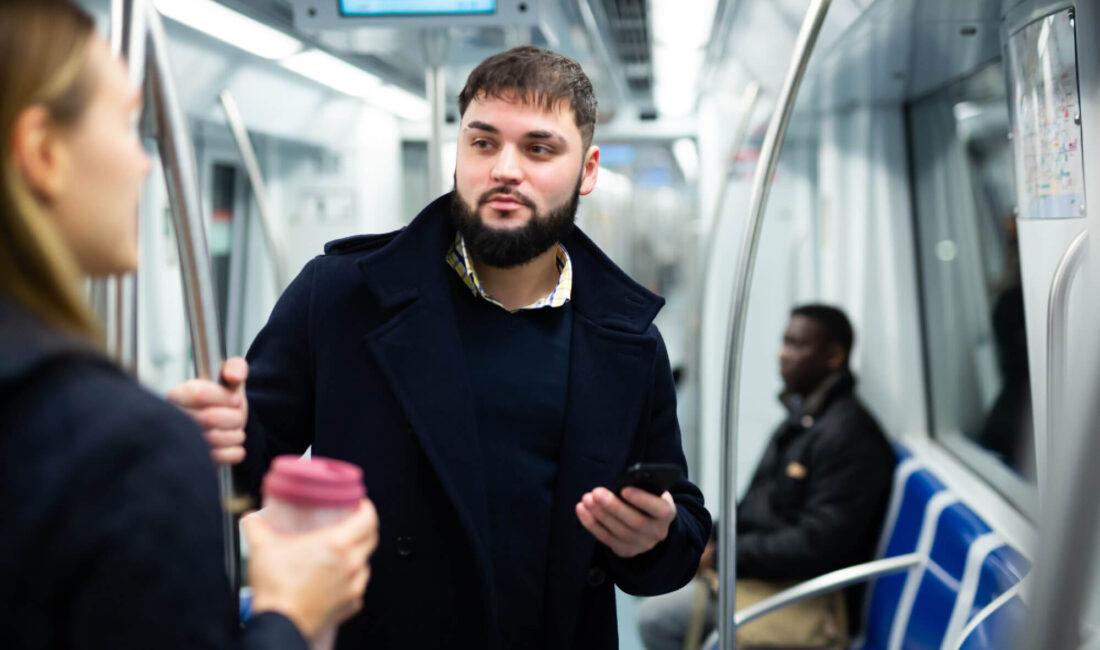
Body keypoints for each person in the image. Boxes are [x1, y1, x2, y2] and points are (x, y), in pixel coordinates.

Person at [175, 46, 711, 648]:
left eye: (538, 148)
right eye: (483, 143)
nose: (505, 168)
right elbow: (236, 472)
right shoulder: (342, 298)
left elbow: (679, 525)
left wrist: (656, 538)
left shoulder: (628, 339)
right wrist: (199, 439)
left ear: (587, 170)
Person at [0, 1, 378, 647]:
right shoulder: (120, 453)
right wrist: (290, 614)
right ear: (42, 152)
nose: (145, 163)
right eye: (126, 125)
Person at [638, 305, 894, 650]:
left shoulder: (849, 436)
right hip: (768, 573)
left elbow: (819, 544)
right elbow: (756, 506)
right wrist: (702, 538)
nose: (782, 354)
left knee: (658, 618)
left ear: (834, 356)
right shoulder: (804, 419)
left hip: (807, 596)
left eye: (796, 345)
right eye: (783, 342)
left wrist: (724, 557)